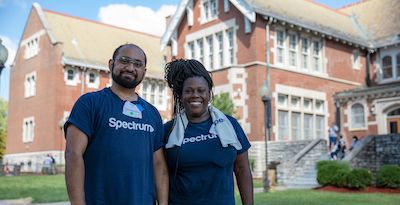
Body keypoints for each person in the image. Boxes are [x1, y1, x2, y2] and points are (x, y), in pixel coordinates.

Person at [64, 44, 168, 205]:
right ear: (111, 64)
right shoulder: (89, 103)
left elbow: (159, 166)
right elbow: (73, 154)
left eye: (138, 64)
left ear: (144, 72)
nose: (131, 68)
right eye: (125, 61)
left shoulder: (152, 114)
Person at [163, 59, 254, 205]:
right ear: (181, 95)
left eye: (201, 90)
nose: (195, 95)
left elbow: (242, 169)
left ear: (209, 94)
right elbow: (160, 174)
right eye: (189, 91)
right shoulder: (168, 131)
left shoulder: (230, 125)